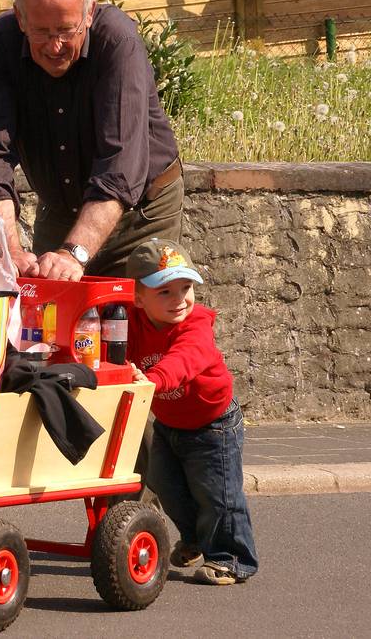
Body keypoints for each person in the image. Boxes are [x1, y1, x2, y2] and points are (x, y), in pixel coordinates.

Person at [0, 0, 184, 281]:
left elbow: (120, 168)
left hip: (141, 211)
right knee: (48, 317)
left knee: (127, 322)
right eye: (40, 32)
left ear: (89, 13)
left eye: (66, 31)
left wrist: (73, 253)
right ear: (20, 17)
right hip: (60, 207)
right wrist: (6, 248)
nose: (55, 47)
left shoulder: (118, 42)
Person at [126, 238, 258, 585]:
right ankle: (196, 539)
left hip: (212, 423)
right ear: (138, 298)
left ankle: (231, 557)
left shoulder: (196, 324)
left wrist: (152, 380)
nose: (180, 299)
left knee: (217, 495)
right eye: (164, 292)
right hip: (170, 424)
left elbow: (184, 359)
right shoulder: (130, 322)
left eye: (186, 288)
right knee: (165, 486)